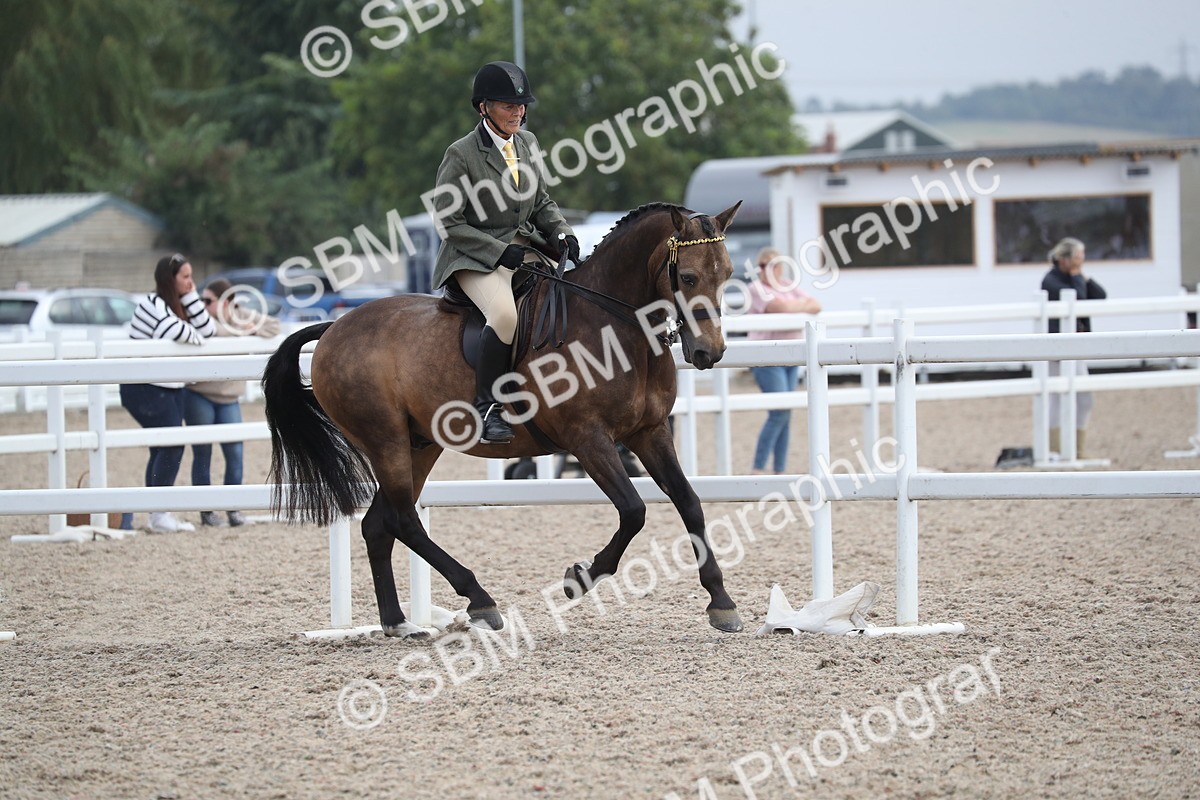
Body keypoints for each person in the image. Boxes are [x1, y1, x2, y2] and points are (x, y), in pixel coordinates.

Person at [430, 60, 579, 444]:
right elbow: (449, 223)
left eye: (521, 105)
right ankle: (487, 408)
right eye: (507, 105)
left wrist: (561, 232)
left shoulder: (527, 143)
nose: (518, 111)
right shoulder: (461, 154)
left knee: (570, 299)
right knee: (504, 315)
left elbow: (541, 200)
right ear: (483, 107)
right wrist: (498, 252)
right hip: (474, 256)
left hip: (525, 250)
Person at [121, 253, 216, 532]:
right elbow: (176, 331)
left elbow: (207, 331)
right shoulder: (151, 303)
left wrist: (189, 297)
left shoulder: (179, 302)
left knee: (164, 445)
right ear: (169, 278)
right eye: (185, 277)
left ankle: (157, 512)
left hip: (168, 386)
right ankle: (159, 513)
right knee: (171, 444)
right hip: (144, 387)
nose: (191, 282)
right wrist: (192, 334)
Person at [184, 279, 280, 527]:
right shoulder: (201, 320)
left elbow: (273, 326)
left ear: (225, 302)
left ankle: (233, 509)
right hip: (199, 394)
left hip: (229, 397)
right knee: (202, 454)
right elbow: (211, 332)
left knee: (235, 454)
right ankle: (206, 511)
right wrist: (244, 331)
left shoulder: (241, 315)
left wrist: (250, 328)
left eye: (208, 301)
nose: (202, 305)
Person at [747, 248, 822, 474]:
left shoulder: (788, 285)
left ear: (779, 267)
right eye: (761, 265)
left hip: (791, 355)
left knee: (786, 413)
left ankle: (779, 469)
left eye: (769, 265)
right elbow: (778, 308)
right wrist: (800, 308)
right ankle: (758, 467)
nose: (764, 270)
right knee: (780, 411)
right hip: (767, 356)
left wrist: (793, 308)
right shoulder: (755, 289)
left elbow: (816, 305)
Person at [1041, 237, 1106, 458]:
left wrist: (1081, 276)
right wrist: (1078, 278)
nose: (1081, 261)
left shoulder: (1075, 278)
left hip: (1076, 347)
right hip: (1057, 349)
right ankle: (1056, 449)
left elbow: (1100, 295)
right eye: (1078, 257)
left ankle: (1077, 448)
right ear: (1064, 259)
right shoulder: (1050, 280)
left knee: (1085, 398)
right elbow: (1076, 299)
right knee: (1057, 399)